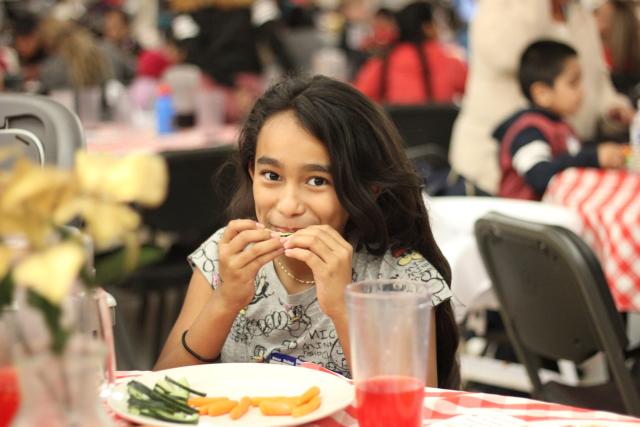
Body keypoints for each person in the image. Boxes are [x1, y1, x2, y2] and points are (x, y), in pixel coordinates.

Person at [154, 75, 460, 389]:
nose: (288, 206)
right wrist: (225, 300)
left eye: (317, 181)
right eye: (271, 175)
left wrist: (343, 307)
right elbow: (161, 388)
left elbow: (410, 412)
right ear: (252, 172)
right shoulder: (227, 255)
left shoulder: (399, 280)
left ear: (369, 188)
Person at [449, 0, 634, 195]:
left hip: (565, 166)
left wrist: (612, 108)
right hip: (497, 173)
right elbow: (508, 55)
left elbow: (595, 79)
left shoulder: (578, 12)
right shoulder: (500, 6)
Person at [495, 40, 627, 200]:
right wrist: (593, 157)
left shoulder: (560, 124)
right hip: (525, 219)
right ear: (542, 93)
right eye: (573, 83)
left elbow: (572, 155)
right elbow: (539, 176)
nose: (582, 92)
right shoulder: (528, 130)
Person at [353, 1, 467, 105]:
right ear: (427, 27)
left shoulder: (381, 64)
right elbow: (476, 92)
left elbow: (356, 101)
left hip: (394, 127)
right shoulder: (450, 62)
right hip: (441, 127)